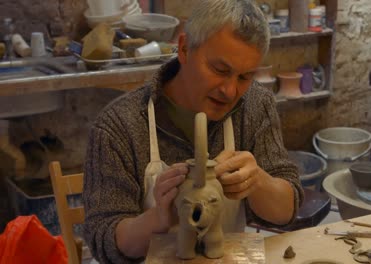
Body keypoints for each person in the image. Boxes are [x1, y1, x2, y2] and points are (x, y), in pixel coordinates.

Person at [83, 0, 304, 263]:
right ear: (185, 49)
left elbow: (287, 210)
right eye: (220, 70)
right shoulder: (119, 125)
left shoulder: (256, 105)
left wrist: (257, 182)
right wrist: (158, 219)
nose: (230, 91)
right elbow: (103, 241)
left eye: (245, 77)